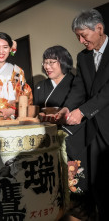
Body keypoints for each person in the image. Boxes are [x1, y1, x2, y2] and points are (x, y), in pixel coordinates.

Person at [56, 9, 108, 220]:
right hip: (94, 128)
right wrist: (68, 108)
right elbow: (79, 87)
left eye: (83, 35)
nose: (80, 40)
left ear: (99, 29)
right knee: (98, 181)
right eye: (77, 36)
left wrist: (83, 111)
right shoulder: (83, 56)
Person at [33, 46, 93, 220]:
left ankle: (80, 208)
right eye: (45, 62)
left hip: (73, 135)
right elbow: (36, 110)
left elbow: (80, 109)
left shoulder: (76, 83)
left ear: (64, 62)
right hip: (48, 138)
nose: (47, 66)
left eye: (52, 62)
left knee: (75, 177)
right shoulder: (40, 86)